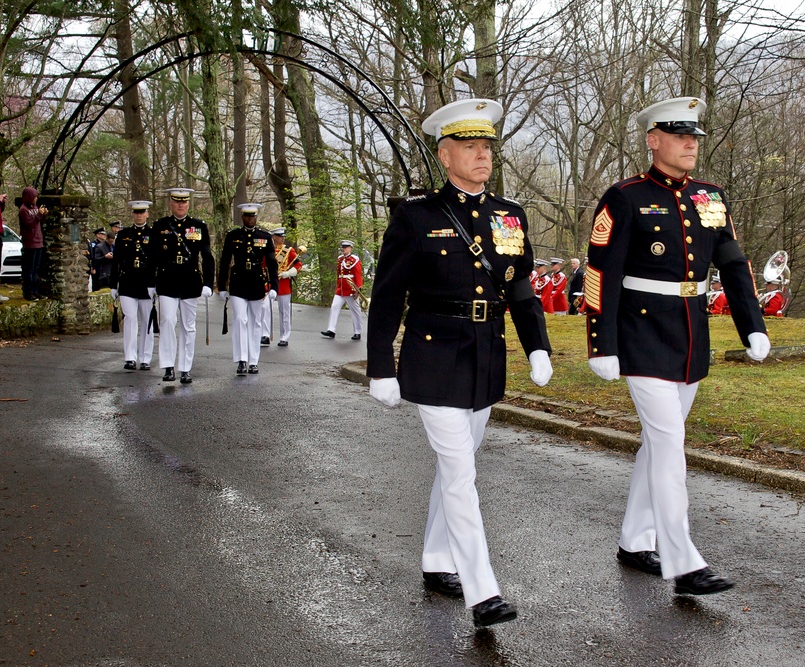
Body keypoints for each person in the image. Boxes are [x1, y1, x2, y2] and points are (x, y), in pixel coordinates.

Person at [366, 98, 553, 628]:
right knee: (461, 474)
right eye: (470, 148)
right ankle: (482, 589)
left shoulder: (509, 216)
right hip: (432, 354)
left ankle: (434, 559)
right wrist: (381, 364)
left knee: (457, 467)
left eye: (487, 147)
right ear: (445, 155)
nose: (482, 156)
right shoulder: (417, 215)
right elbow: (387, 295)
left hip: (484, 355)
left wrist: (537, 345)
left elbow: (520, 289)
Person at [585, 96, 770, 596]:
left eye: (694, 136)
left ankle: (633, 540)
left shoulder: (711, 196)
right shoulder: (624, 197)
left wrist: (752, 324)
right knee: (669, 443)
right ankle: (683, 561)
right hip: (641, 334)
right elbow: (601, 272)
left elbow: (733, 263)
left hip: (690, 334)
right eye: (679, 135)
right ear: (653, 140)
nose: (690, 143)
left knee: (658, 443)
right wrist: (601, 343)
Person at [151, 187, 215, 384]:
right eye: (177, 201)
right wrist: (150, 282)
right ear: (171, 203)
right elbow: (152, 256)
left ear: (188, 203)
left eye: (184, 201)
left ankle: (185, 368)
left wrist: (208, 283)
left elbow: (207, 256)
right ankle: (168, 366)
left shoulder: (198, 226)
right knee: (168, 321)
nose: (180, 205)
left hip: (189, 279)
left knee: (188, 326)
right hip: (167, 279)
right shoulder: (160, 225)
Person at [218, 203, 278, 375]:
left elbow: (272, 263)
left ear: (256, 217)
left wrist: (274, 286)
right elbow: (224, 261)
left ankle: (253, 361)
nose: (250, 219)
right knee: (240, 320)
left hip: (256, 282)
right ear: (242, 217)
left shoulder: (265, 237)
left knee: (255, 322)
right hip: (238, 281)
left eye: (253, 216)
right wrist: (222, 285)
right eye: (247, 216)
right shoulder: (233, 235)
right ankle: (241, 359)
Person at [111, 200, 157, 371]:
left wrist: (154, 283)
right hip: (128, 282)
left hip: (146, 283)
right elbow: (116, 261)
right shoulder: (124, 235)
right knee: (130, 319)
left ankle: (145, 358)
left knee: (147, 321)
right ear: (132, 214)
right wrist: (113, 285)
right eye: (136, 212)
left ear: (147, 214)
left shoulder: (153, 234)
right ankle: (130, 357)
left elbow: (156, 262)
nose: (138, 215)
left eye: (142, 212)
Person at [264, 229, 301, 347]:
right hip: (268, 283)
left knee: (284, 311)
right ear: (274, 237)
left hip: (283, 284)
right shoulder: (267, 248)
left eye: (283, 236)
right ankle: (265, 334)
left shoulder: (288, 251)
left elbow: (298, 265)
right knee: (265, 308)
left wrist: (288, 273)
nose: (282, 238)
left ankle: (284, 337)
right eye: (280, 236)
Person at [320, 240, 364, 340]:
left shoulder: (354, 259)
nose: (343, 249)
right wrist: (338, 285)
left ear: (350, 248)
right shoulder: (340, 259)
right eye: (343, 247)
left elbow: (357, 275)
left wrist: (358, 290)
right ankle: (331, 330)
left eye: (346, 247)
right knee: (334, 306)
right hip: (341, 289)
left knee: (355, 311)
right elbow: (339, 274)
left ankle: (357, 331)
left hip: (351, 289)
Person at [18, 186, 48, 301]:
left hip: (38, 241)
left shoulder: (35, 207)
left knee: (36, 269)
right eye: (34, 197)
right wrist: (39, 215)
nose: (36, 199)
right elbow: (29, 224)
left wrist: (43, 215)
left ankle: (36, 291)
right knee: (29, 269)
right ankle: (28, 292)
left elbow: (38, 222)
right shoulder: (23, 210)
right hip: (30, 242)